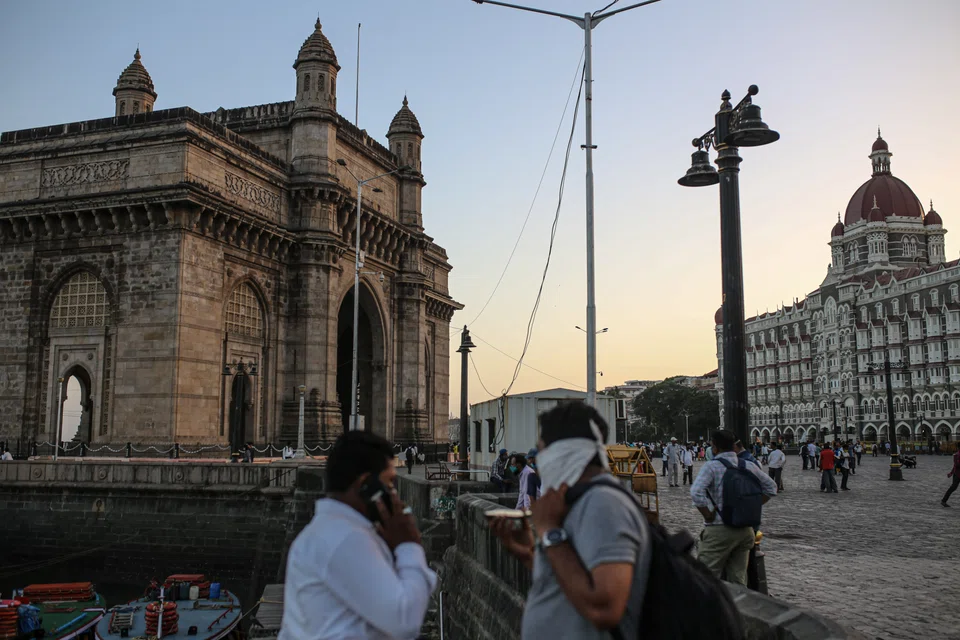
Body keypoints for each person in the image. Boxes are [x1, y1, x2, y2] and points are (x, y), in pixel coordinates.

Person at [489, 401, 650, 639]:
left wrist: (549, 531)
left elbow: (604, 609)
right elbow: (575, 577)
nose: (539, 464)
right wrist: (532, 555)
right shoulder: (580, 500)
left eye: (542, 452)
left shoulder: (603, 504)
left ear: (563, 452)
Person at [278, 430, 436, 640]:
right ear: (366, 486)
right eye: (389, 483)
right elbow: (405, 621)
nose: (394, 493)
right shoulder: (345, 537)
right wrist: (409, 544)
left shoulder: (327, 531)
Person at [689, 429, 778, 586]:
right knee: (738, 579)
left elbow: (696, 492)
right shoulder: (748, 465)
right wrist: (751, 506)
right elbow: (771, 487)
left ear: (715, 447)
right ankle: (737, 601)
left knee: (704, 579)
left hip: (719, 528)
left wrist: (707, 514)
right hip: (745, 531)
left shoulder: (712, 466)